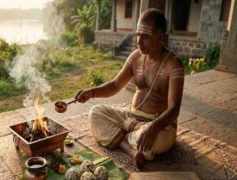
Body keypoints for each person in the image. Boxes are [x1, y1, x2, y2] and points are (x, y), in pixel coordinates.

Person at [74, 9, 185, 169]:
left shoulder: (173, 65)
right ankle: (130, 148)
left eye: (145, 37)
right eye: (138, 35)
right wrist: (91, 92)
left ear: (160, 38)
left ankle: (122, 137)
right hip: (130, 118)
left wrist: (153, 127)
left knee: (155, 141)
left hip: (158, 124)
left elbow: (174, 109)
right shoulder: (135, 57)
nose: (138, 42)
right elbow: (114, 85)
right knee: (95, 113)